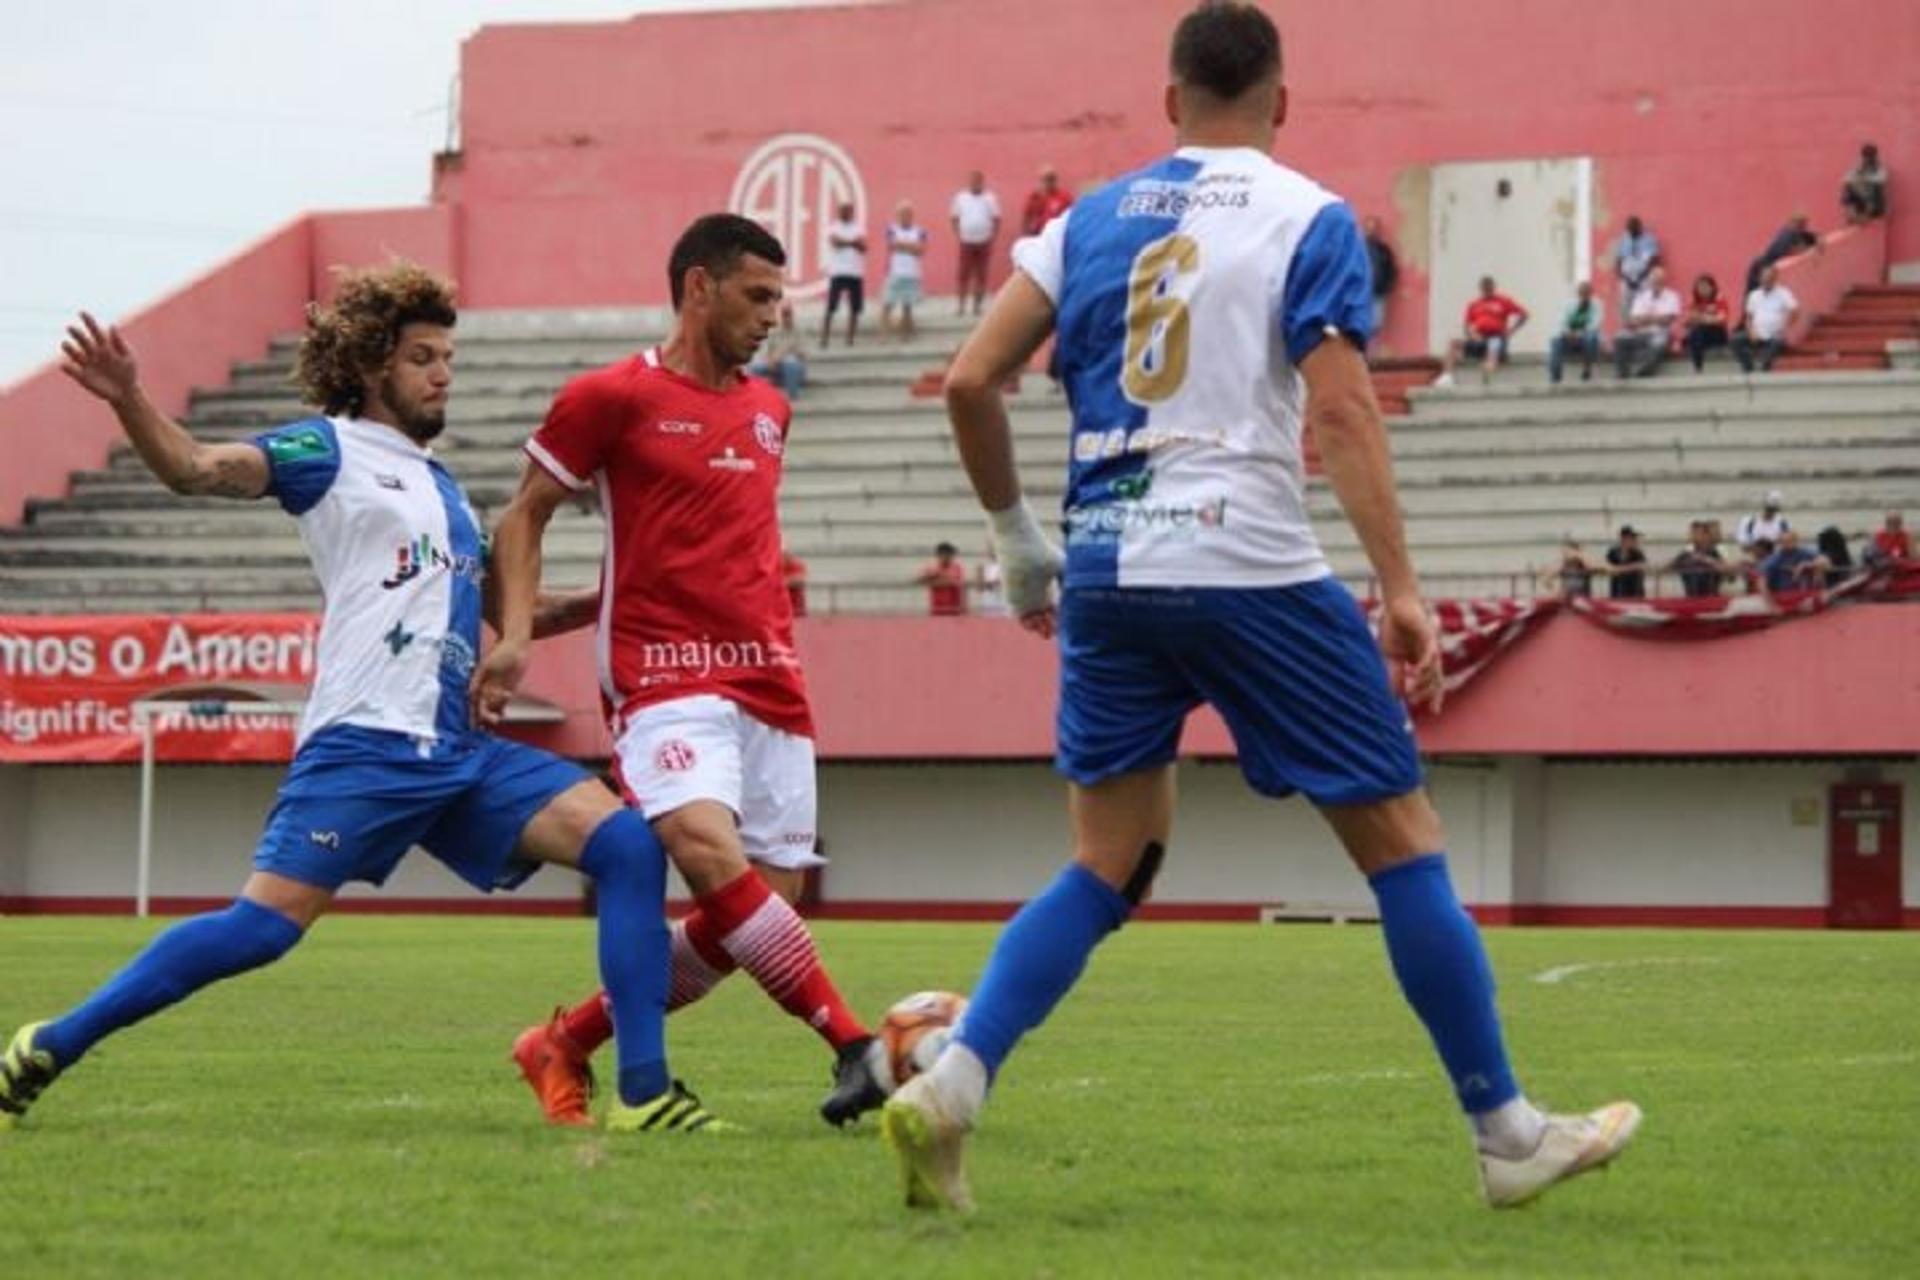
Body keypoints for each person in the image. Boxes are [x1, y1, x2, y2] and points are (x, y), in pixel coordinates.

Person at [879, 0, 1637, 1215]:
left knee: (1104, 863)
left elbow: (971, 378)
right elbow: (1339, 413)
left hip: (1113, 568)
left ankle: (954, 1082)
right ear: (1281, 102)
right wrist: (1398, 590)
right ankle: (1505, 1133)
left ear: (1168, 97)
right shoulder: (1310, 217)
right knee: (1404, 844)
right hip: (1248, 562)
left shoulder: (1086, 220)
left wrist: (1021, 545)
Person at [1, 268, 724, 1136]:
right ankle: (50, 1043)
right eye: (423, 357)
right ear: (373, 366)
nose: (443, 373)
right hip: (365, 747)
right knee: (262, 932)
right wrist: (128, 397)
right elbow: (196, 470)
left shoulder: (448, 492)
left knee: (627, 850)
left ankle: (644, 1096)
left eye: (448, 356)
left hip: (455, 752)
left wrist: (644, 590)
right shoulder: (327, 451)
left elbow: (509, 611)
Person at [473, 215, 889, 1130]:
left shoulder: (771, 409)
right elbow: (524, 516)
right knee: (707, 853)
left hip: (771, 680)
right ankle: (856, 1044)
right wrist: (513, 634)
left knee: (758, 909)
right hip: (662, 673)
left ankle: (566, 1041)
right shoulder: (610, 396)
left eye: (780, 298)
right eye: (757, 295)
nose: (773, 315)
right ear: (698, 288)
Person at [1437, 276, 1528, 386]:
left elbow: (1524, 315)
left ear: (1494, 287)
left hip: (1496, 337)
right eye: (1484, 288)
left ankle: (1487, 376)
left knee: (1493, 349)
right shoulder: (1474, 304)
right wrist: (1473, 335)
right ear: (1480, 289)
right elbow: (1466, 326)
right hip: (1480, 338)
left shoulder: (1504, 301)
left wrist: (1511, 331)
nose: (1487, 290)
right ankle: (1447, 376)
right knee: (1453, 343)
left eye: (1489, 287)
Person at [1612, 265, 1680, 379]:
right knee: (1620, 338)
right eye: (1654, 279)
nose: (1656, 282)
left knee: (1658, 343)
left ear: (1664, 281)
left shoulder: (1672, 296)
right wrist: (1655, 318)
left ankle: (1643, 371)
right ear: (1649, 281)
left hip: (1660, 332)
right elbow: (1634, 320)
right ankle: (1622, 373)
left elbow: (1667, 320)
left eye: (1659, 279)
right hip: (1640, 333)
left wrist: (1646, 318)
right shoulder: (1641, 296)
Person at [950, 170, 1002, 316]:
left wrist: (992, 236)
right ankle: (961, 306)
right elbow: (954, 218)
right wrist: (959, 233)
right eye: (973, 181)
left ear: (982, 182)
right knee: (963, 274)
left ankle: (977, 307)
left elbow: (996, 218)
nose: (975, 183)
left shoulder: (990, 198)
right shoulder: (961, 198)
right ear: (969, 182)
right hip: (966, 241)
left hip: (984, 241)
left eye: (978, 181)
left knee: (981, 275)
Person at [1734, 265, 1799, 373]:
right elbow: (1749, 317)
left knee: (1777, 343)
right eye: (1764, 277)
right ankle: (1748, 365)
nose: (1766, 280)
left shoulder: (1783, 293)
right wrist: (1751, 331)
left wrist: (1786, 327)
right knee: (1735, 340)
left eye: (1769, 278)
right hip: (1757, 334)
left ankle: (1764, 367)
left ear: (1775, 278)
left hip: (1775, 335)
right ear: (1760, 278)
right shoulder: (1754, 295)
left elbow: (1795, 310)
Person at [820, 200, 865, 349]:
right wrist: (853, 243)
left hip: (855, 272)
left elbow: (863, 247)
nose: (846, 212)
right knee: (831, 306)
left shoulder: (858, 228)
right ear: (839, 212)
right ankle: (824, 337)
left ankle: (850, 338)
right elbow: (835, 242)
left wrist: (848, 242)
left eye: (849, 210)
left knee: (855, 308)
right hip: (838, 271)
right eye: (843, 210)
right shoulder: (834, 227)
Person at [882, 201, 929, 340]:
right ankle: (884, 335)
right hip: (895, 273)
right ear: (897, 215)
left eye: (908, 213)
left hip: (912, 273)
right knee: (887, 304)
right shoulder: (891, 229)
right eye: (902, 213)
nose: (905, 216)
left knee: (907, 307)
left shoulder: (920, 231)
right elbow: (892, 245)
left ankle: (905, 335)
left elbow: (920, 250)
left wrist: (902, 245)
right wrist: (912, 246)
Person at [1546, 281, 1603, 384]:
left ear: (1591, 294)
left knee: (1591, 337)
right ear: (1578, 294)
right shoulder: (1569, 304)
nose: (1584, 296)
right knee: (1555, 341)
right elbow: (1562, 322)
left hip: (1586, 337)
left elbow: (1595, 324)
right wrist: (1568, 333)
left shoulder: (1596, 304)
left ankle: (1587, 369)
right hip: (1569, 337)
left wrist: (1579, 334)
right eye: (1582, 293)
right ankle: (1555, 377)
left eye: (1587, 293)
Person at [1745, 213, 1818, 293]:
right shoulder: (1788, 235)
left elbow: (1811, 238)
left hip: (1760, 265)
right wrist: (1796, 251)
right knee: (1756, 294)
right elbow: (1779, 252)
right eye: (1804, 225)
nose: (1805, 227)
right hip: (1761, 267)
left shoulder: (1791, 231)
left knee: (1754, 294)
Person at [747, 302, 806, 397]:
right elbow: (765, 351)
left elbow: (804, 355)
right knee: (755, 367)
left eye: (788, 315)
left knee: (791, 363)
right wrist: (771, 360)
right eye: (784, 315)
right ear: (781, 316)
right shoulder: (774, 331)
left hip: (792, 365)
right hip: (774, 363)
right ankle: (754, 395)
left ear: (792, 315)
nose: (787, 318)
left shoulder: (799, 332)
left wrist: (784, 354)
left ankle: (792, 395)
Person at [1681, 274, 1732, 372]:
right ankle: (1698, 366)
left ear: (1712, 287)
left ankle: (1698, 366)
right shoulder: (1694, 301)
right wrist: (1699, 318)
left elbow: (1721, 319)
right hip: (1700, 334)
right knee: (1694, 333)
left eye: (1705, 286)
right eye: (1700, 287)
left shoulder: (1719, 298)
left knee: (1697, 332)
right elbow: (1687, 320)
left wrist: (1702, 318)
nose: (1702, 289)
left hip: (1717, 333)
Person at [1665, 521, 1728, 598]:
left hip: (1711, 600)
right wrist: (1681, 562)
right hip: (1691, 600)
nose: (1693, 536)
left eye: (1697, 533)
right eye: (1692, 533)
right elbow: (1666, 568)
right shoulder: (1686, 554)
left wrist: (1706, 560)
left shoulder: (1714, 553)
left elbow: (1727, 572)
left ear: (1706, 536)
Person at [1612, 215, 1660, 315]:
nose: (1631, 233)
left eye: (1633, 230)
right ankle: (1626, 327)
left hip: (1644, 277)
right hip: (1626, 278)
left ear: (1639, 227)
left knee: (1645, 302)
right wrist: (1624, 278)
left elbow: (1654, 260)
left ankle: (1644, 327)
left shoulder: (1649, 239)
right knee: (1625, 303)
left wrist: (1640, 277)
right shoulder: (1624, 239)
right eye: (1629, 230)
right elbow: (1619, 259)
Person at [1759, 529, 1829, 594]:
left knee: (1819, 569)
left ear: (1796, 541)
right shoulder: (1775, 559)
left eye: (1790, 541)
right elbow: (1762, 580)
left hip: (1805, 591)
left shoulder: (1804, 552)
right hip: (1784, 593)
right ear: (1779, 543)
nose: (1787, 544)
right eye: (1784, 541)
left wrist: (1805, 565)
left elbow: (1824, 560)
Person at [1363, 216, 1399, 338]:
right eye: (1368, 228)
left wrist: (1387, 286)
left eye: (1373, 228)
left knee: (1376, 324)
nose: (1371, 231)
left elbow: (1391, 269)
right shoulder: (1357, 248)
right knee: (1361, 323)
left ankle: (1368, 353)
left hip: (1378, 292)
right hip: (1361, 293)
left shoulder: (1383, 250)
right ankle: (1362, 352)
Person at [916, 541, 968, 616]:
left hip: (953, 610)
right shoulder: (932, 568)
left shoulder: (956, 568)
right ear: (939, 555)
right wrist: (932, 578)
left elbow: (951, 582)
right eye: (946, 554)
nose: (949, 557)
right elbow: (919, 580)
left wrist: (933, 579)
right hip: (937, 610)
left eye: (951, 555)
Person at [1021, 165, 1074, 237]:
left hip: (1058, 235)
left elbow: (1072, 216)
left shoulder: (1065, 197)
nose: (1048, 182)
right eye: (1045, 179)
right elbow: (1026, 218)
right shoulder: (1034, 197)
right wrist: (1027, 235)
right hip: (1039, 235)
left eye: (1051, 179)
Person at [1840, 144, 1888, 224]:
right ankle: (1852, 215)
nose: (1868, 159)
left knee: (1875, 187)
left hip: (1875, 205)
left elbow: (1882, 179)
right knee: (1848, 188)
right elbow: (1846, 179)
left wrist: (1864, 179)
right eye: (1866, 156)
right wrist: (1858, 176)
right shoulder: (1859, 167)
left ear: (1874, 156)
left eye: (1870, 156)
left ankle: (1865, 216)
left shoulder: (1879, 168)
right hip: (1862, 199)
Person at [1605, 526, 1648, 598]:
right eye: (1630, 538)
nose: (1632, 540)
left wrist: (1618, 569)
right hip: (1617, 591)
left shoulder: (1637, 553)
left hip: (1634, 592)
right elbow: (1607, 567)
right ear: (1623, 538)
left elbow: (1642, 565)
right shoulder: (1613, 552)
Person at [782, 545, 810, 617]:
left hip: (796, 609)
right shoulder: (775, 565)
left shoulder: (796, 564)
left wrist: (783, 582)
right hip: (782, 609)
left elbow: (800, 579)